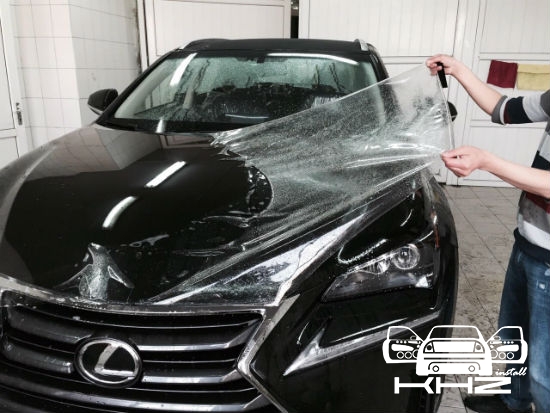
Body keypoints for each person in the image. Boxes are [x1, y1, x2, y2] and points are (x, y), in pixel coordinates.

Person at [426, 54, 550, 413]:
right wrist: (459, 70)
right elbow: (503, 108)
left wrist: (487, 162)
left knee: (543, 371)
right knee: (513, 336)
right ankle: (513, 402)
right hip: (527, 240)